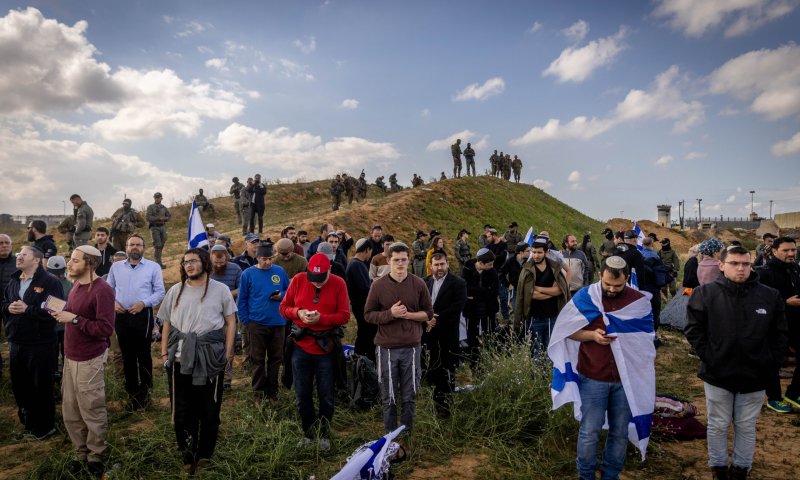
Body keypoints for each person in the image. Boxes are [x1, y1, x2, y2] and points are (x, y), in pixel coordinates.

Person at [549, 256, 655, 480]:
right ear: (600, 276)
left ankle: (610, 475)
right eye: (607, 284)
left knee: (620, 432)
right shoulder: (586, 296)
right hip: (593, 376)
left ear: (627, 278)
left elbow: (645, 340)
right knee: (590, 431)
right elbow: (565, 330)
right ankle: (586, 475)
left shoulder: (638, 302)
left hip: (626, 380)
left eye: (618, 285)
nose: (612, 289)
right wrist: (591, 335)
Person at [686, 245, 787, 479]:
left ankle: (742, 468)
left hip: (755, 375)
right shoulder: (705, 294)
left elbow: (780, 334)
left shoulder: (769, 296)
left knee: (746, 424)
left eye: (745, 264)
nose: (741, 268)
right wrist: (711, 356)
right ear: (722, 265)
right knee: (718, 424)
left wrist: (769, 362)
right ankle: (719, 467)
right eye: (734, 263)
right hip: (717, 374)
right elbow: (694, 330)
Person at [159, 248, 236, 475]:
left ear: (204, 262)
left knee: (209, 410)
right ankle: (188, 454)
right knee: (182, 411)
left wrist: (228, 354)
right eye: (185, 262)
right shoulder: (176, 290)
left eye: (193, 261)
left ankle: (205, 454)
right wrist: (164, 353)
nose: (189, 265)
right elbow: (166, 322)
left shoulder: (220, 290)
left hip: (209, 358)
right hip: (179, 358)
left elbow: (231, 321)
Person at [53, 245, 115, 477]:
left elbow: (106, 329)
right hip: (70, 357)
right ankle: (81, 454)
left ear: (89, 263)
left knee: (91, 409)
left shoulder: (102, 290)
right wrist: (60, 312)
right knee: (71, 410)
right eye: (70, 259)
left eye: (75, 260)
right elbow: (73, 312)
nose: (69, 264)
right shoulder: (77, 285)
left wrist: (75, 319)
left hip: (89, 359)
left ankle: (96, 457)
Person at [280, 253, 350, 449]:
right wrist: (298, 312)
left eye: (321, 278)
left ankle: (324, 433)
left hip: (326, 348)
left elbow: (344, 315)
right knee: (302, 394)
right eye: (313, 278)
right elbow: (284, 308)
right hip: (301, 346)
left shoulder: (338, 283)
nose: (317, 283)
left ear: (329, 270)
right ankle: (309, 433)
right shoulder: (298, 280)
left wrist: (322, 319)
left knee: (326, 394)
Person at [365, 243, 434, 435]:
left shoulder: (418, 284)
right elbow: (368, 315)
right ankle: (390, 433)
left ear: (409, 260)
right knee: (389, 394)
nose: (400, 264)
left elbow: (428, 313)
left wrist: (408, 315)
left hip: (411, 346)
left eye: (404, 259)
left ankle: (406, 432)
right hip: (386, 347)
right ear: (389, 261)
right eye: (396, 260)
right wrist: (390, 314)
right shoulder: (378, 285)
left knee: (410, 392)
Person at [2, 245, 63, 440]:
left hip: (41, 344)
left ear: (36, 260)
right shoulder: (14, 280)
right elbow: (4, 302)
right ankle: (29, 426)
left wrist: (28, 309)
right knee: (21, 386)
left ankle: (45, 427)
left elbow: (55, 311)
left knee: (41, 386)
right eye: (18, 254)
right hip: (16, 342)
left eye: (23, 254)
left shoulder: (51, 282)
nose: (18, 257)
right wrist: (8, 308)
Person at [107, 233, 166, 410]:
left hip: (142, 315)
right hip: (122, 315)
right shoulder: (116, 267)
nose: (134, 247)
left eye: (138, 245)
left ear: (143, 248)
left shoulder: (153, 267)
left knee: (144, 355)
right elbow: (108, 290)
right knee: (127, 356)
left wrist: (144, 303)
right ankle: (132, 395)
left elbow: (160, 292)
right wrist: (113, 303)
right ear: (126, 247)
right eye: (131, 244)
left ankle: (146, 394)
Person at [238, 241, 290, 401]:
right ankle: (259, 392)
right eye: (264, 259)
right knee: (258, 359)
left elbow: (290, 291)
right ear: (257, 257)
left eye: (270, 259)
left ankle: (272, 391)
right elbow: (242, 299)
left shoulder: (279, 271)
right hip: (256, 323)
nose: (267, 262)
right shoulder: (247, 274)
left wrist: (281, 296)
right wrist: (246, 321)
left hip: (278, 323)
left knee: (276, 359)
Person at [757, 237, 800, 414]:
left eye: (793, 250)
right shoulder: (765, 273)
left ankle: (794, 393)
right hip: (773, 326)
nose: (791, 253)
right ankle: (774, 398)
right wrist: (785, 302)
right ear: (774, 251)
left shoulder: (795, 268)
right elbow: (758, 302)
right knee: (773, 363)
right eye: (786, 250)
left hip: (795, 323)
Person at [423, 251, 467, 417]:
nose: (440, 267)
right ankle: (433, 401)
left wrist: (436, 318)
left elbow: (458, 307)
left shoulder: (458, 283)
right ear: (431, 266)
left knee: (447, 368)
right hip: (429, 333)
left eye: (442, 264)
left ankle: (446, 405)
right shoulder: (425, 282)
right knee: (432, 367)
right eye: (436, 265)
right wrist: (427, 318)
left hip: (448, 333)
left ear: (447, 264)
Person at [514, 238, 569, 354]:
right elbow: (529, 294)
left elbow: (559, 290)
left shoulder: (554, 268)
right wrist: (551, 292)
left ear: (546, 252)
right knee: (535, 353)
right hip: (534, 318)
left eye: (539, 252)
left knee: (551, 351)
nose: (536, 255)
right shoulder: (527, 270)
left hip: (552, 316)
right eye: (534, 252)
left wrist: (538, 288)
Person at [209, 245, 242, 390]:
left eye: (221, 262)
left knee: (229, 347)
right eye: (216, 262)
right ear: (210, 258)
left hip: (229, 315)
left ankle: (226, 380)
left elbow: (241, 288)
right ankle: (212, 376)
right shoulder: (205, 268)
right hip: (209, 315)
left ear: (227, 258)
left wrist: (226, 295)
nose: (218, 265)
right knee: (212, 347)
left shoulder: (235, 269)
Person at [461, 248, 499, 369]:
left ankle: (489, 359)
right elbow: (465, 289)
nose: (492, 266)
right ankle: (474, 361)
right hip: (471, 310)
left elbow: (495, 290)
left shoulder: (492, 271)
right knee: (472, 336)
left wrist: (475, 294)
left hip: (489, 309)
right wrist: (485, 291)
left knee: (489, 335)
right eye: (489, 264)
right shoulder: (467, 270)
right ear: (481, 263)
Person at [346, 239, 375, 361]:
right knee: (366, 332)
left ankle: (361, 358)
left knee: (365, 332)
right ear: (367, 250)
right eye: (370, 252)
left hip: (360, 305)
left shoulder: (356, 263)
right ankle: (361, 359)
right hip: (361, 305)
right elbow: (365, 288)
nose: (370, 255)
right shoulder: (356, 265)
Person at [46, 255, 72, 385]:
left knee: (66, 352)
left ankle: (66, 378)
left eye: (60, 273)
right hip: (50, 326)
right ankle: (53, 376)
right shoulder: (44, 283)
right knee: (52, 354)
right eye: (55, 273)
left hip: (66, 326)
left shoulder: (70, 284)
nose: (58, 276)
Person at [499, 241, 530, 328]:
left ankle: (526, 330)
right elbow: (501, 273)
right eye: (528, 251)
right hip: (515, 290)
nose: (530, 252)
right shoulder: (511, 261)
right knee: (516, 310)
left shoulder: (529, 261)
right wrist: (508, 284)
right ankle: (516, 330)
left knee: (527, 311)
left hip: (527, 290)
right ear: (521, 252)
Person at [146, 192, 171, 269]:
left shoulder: (163, 207)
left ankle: (158, 260)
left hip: (162, 227)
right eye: (156, 198)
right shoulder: (150, 207)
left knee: (162, 243)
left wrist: (165, 218)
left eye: (158, 197)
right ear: (154, 198)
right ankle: (158, 264)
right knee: (157, 245)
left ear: (161, 198)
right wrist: (158, 218)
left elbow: (169, 216)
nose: (157, 199)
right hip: (154, 227)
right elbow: (148, 217)